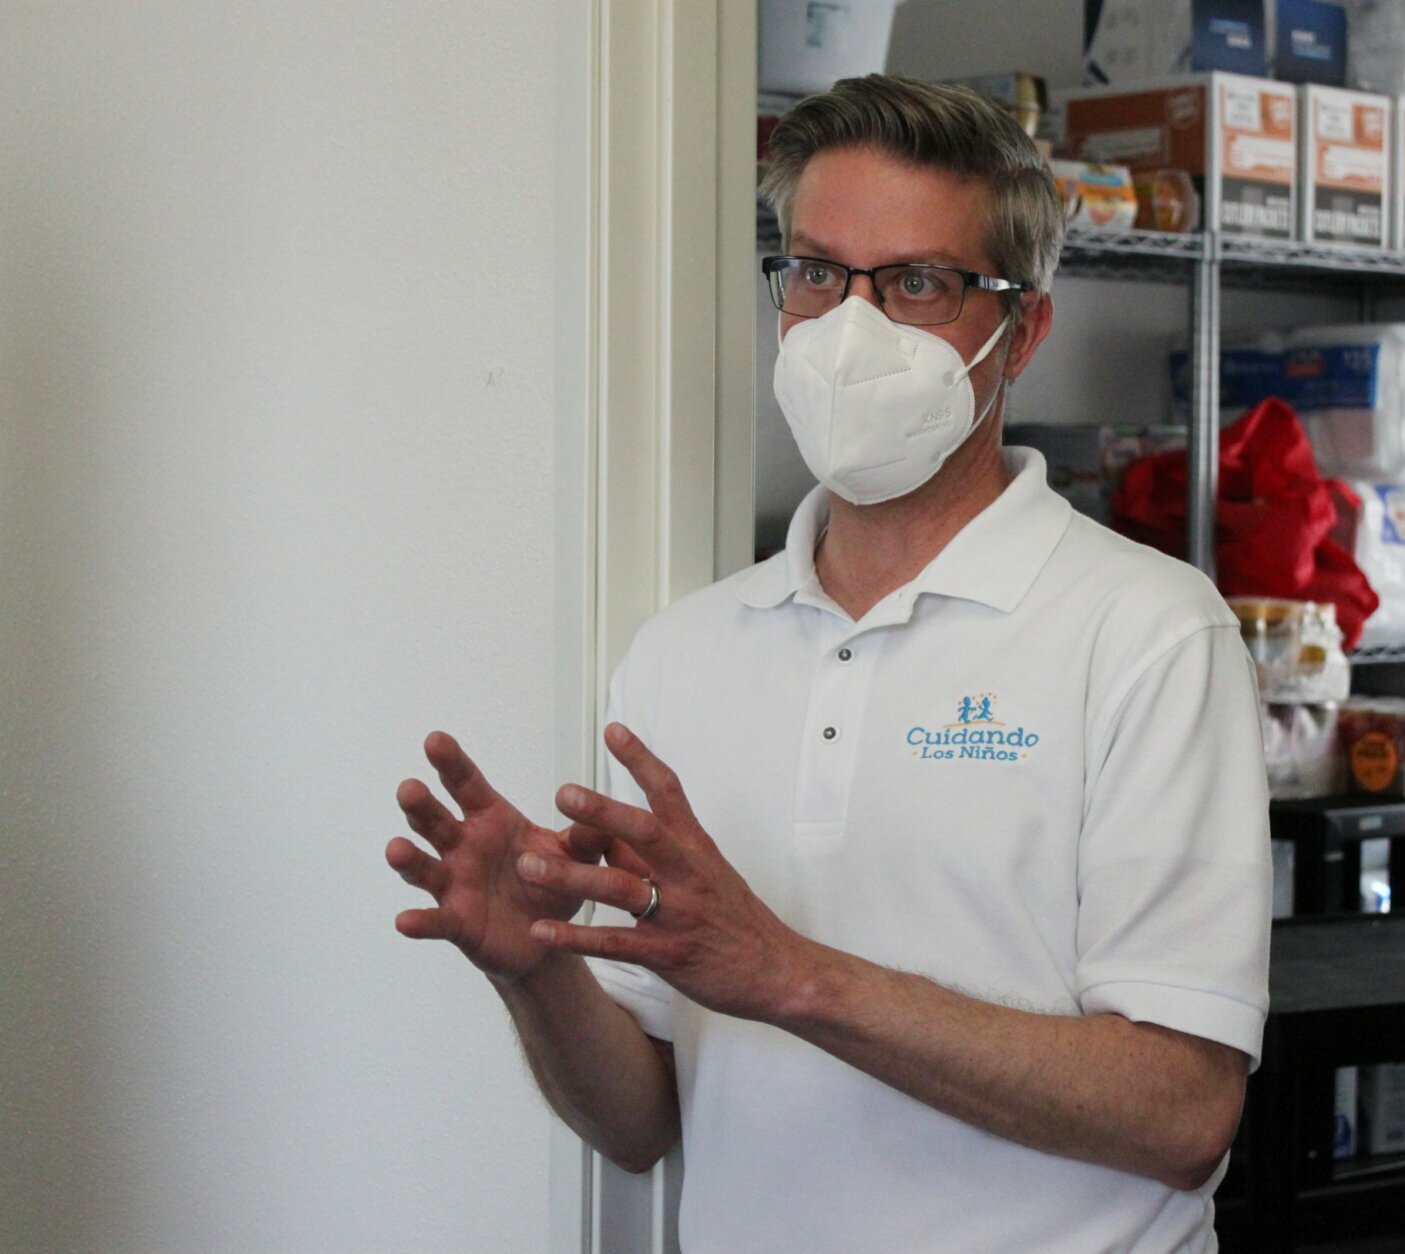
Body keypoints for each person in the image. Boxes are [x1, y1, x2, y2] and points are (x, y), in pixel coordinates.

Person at [386, 75, 1273, 1252]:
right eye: (815, 273)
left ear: (1022, 331)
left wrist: (789, 974)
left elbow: (1181, 1114)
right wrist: (535, 975)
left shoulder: (1148, 633)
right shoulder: (682, 656)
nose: (849, 331)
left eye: (915, 284)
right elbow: (640, 1123)